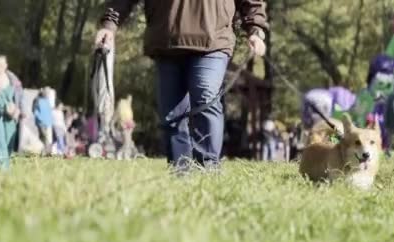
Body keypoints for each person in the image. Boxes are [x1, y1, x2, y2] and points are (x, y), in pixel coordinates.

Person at [95, 0, 268, 173]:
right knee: (171, 114)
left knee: (205, 98)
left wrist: (255, 28)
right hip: (167, 39)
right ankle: (180, 171)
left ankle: (207, 169)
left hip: (214, 39)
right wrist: (109, 24)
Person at [33, 88, 54, 155]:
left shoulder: (45, 101)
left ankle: (47, 151)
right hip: (43, 121)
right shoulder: (38, 100)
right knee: (43, 136)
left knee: (44, 136)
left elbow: (34, 110)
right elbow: (34, 110)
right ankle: (46, 150)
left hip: (43, 121)